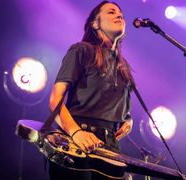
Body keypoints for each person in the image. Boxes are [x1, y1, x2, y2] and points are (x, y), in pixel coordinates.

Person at [48, 1, 134, 179]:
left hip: (110, 146)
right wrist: (76, 132)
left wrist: (127, 119)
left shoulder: (123, 66)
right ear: (95, 23)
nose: (120, 16)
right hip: (76, 141)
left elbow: (119, 106)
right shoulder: (81, 50)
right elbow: (55, 99)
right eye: (111, 12)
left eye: (121, 15)